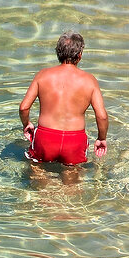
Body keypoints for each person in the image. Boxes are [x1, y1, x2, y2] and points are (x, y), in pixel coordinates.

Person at [19, 32, 109, 166]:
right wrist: (101, 139)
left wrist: (26, 124)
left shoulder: (42, 75)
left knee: (39, 177)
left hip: (45, 138)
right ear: (79, 55)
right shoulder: (89, 80)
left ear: (58, 53)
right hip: (74, 140)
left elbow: (24, 107)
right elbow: (101, 116)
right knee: (72, 183)